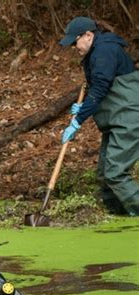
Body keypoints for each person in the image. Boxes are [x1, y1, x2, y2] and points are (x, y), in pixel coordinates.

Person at [59, 17, 138, 216]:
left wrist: (78, 120)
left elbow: (101, 87)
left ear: (88, 35)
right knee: (105, 176)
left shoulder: (105, 50)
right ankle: (119, 217)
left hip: (128, 118)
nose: (74, 47)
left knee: (115, 174)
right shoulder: (97, 52)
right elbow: (100, 87)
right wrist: (83, 106)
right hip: (115, 120)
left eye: (75, 41)